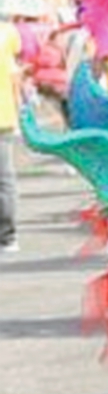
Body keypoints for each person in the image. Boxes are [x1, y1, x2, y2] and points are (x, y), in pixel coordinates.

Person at [0, 16, 22, 253]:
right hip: (3, 115)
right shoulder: (7, 33)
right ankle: (7, 236)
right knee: (4, 179)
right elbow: (14, 75)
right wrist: (20, 106)